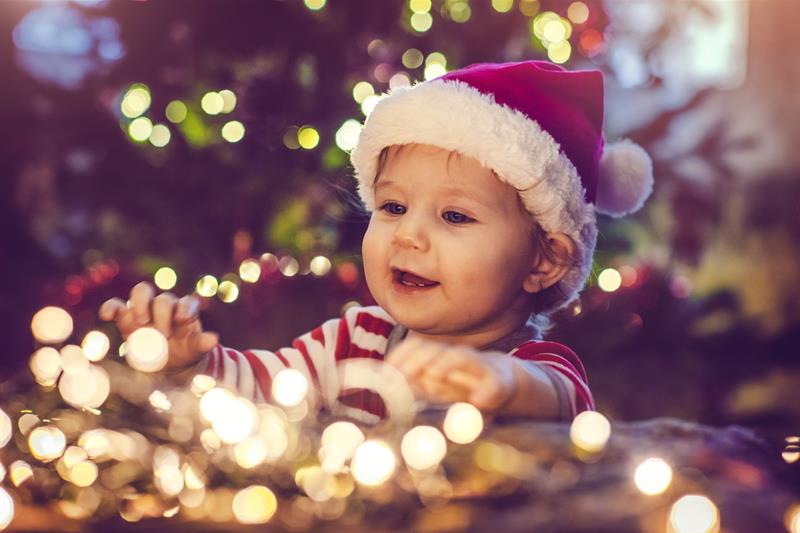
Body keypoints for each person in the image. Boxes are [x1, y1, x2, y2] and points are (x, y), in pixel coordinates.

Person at [100, 60, 653, 423]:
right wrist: (187, 366)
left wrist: (504, 381)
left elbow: (558, 399)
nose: (408, 233)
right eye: (392, 207)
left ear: (544, 260)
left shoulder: (537, 363)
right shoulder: (355, 340)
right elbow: (262, 392)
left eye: (455, 216)